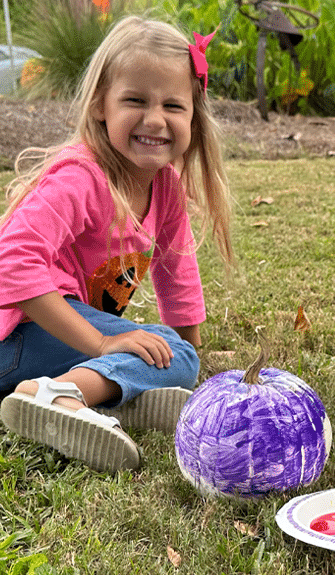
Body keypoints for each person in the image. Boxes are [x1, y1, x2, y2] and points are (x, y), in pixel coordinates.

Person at [0, 16, 234, 473]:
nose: (154, 119)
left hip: (41, 347)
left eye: (173, 105)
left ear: (194, 115)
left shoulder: (164, 186)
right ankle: (57, 395)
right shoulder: (81, 178)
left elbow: (177, 273)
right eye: (134, 100)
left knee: (173, 354)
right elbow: (10, 262)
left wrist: (191, 355)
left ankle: (101, 396)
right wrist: (100, 344)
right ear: (100, 105)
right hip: (14, 340)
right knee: (166, 351)